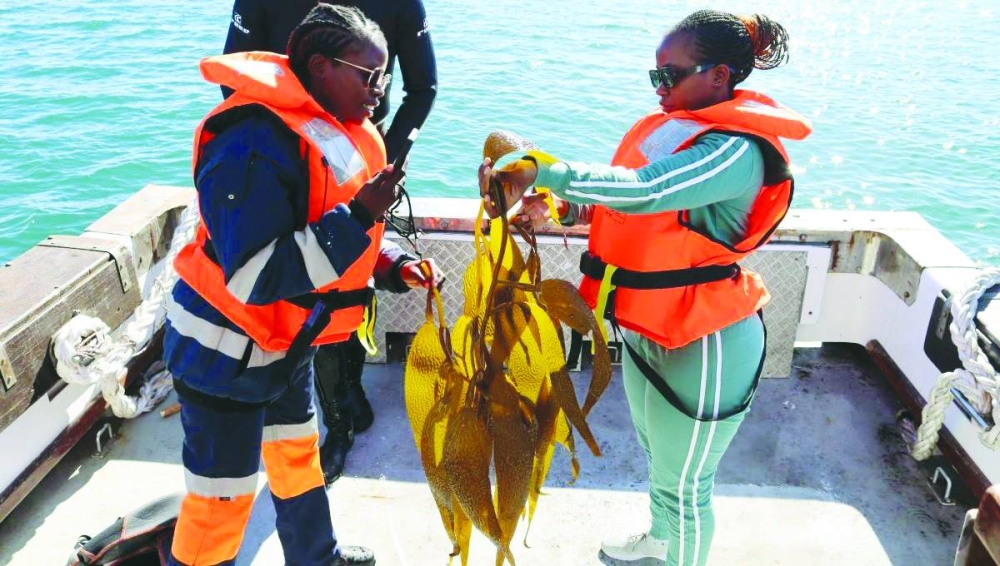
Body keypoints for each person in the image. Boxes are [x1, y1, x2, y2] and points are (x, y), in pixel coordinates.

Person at [479, 10, 811, 566]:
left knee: (685, 489)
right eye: (653, 76)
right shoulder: (669, 130)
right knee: (661, 463)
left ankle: (676, 548)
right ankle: (661, 546)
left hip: (705, 343)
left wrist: (545, 169)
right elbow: (622, 208)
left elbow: (647, 191)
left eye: (670, 76)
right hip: (644, 327)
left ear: (720, 76)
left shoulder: (737, 150)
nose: (659, 88)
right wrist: (557, 207)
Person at [164, 4, 443, 565]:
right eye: (368, 76)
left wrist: (391, 263)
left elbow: (329, 220)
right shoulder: (249, 143)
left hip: (286, 345)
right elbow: (254, 275)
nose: (380, 92)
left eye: (384, 76)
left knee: (297, 460)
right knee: (222, 502)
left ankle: (317, 557)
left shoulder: (335, 132)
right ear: (320, 67)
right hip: (225, 357)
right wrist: (362, 217)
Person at [222, 0, 438, 483]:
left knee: (346, 286)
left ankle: (340, 415)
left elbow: (423, 87)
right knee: (292, 285)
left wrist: (384, 160)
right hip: (285, 155)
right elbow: (235, 77)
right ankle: (301, 410)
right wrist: (277, 146)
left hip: (357, 156)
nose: (377, 82)